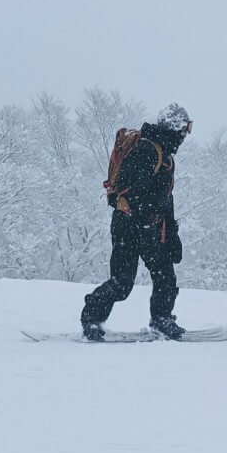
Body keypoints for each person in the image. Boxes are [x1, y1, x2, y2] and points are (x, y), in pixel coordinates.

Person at [81, 103, 193, 341]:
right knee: (122, 284)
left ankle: (162, 320)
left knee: (165, 275)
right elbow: (127, 191)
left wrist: (172, 236)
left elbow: (166, 199)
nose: (186, 135)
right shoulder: (146, 150)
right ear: (174, 128)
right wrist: (145, 221)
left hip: (151, 228)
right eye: (185, 129)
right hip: (129, 227)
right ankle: (91, 317)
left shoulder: (166, 157)